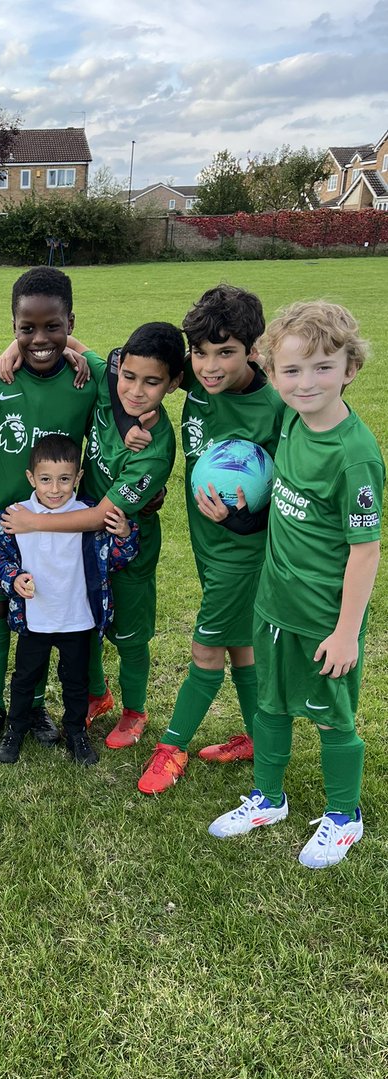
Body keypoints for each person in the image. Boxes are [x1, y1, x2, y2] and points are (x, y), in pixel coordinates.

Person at [207, 301, 382, 868]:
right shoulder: (289, 420)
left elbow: (366, 550)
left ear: (350, 369)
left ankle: (344, 815)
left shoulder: (354, 456)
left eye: (322, 368)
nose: (306, 383)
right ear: (274, 373)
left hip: (323, 618)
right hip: (273, 602)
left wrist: (347, 632)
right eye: (292, 370)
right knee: (270, 706)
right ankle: (268, 799)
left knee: (332, 716)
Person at [0, 322, 182, 749]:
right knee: (85, 619)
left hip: (123, 542)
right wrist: (13, 348)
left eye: (152, 383)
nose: (134, 391)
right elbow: (66, 341)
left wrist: (34, 521)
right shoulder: (108, 377)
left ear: (172, 384)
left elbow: (102, 516)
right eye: (130, 377)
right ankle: (97, 695)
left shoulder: (155, 448)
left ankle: (134, 712)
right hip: (78, 543)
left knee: (130, 635)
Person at [136, 284, 284, 795]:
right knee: (240, 648)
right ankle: (257, 739)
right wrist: (65, 347)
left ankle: (171, 748)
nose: (211, 366)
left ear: (253, 350)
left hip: (243, 554)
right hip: (207, 548)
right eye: (200, 353)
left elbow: (299, 492)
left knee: (205, 650)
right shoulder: (197, 385)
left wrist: (248, 523)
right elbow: (129, 361)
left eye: (226, 353)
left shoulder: (276, 407)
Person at [0, 266, 99, 753]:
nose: (40, 339)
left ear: (70, 323)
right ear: (12, 327)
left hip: (59, 533)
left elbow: (129, 371)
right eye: (26, 329)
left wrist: (78, 350)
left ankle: (34, 703)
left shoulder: (88, 378)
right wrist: (10, 351)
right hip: (0, 532)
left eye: (53, 327)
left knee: (49, 615)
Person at [0, 434, 137, 766]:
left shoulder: (90, 516)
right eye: (46, 480)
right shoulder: (16, 515)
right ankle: (15, 730)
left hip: (77, 617)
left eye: (65, 479)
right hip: (35, 618)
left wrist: (124, 534)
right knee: (24, 678)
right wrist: (13, 577)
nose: (55, 489)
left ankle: (76, 732)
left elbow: (118, 558)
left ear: (78, 478)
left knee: (76, 681)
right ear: (31, 478)